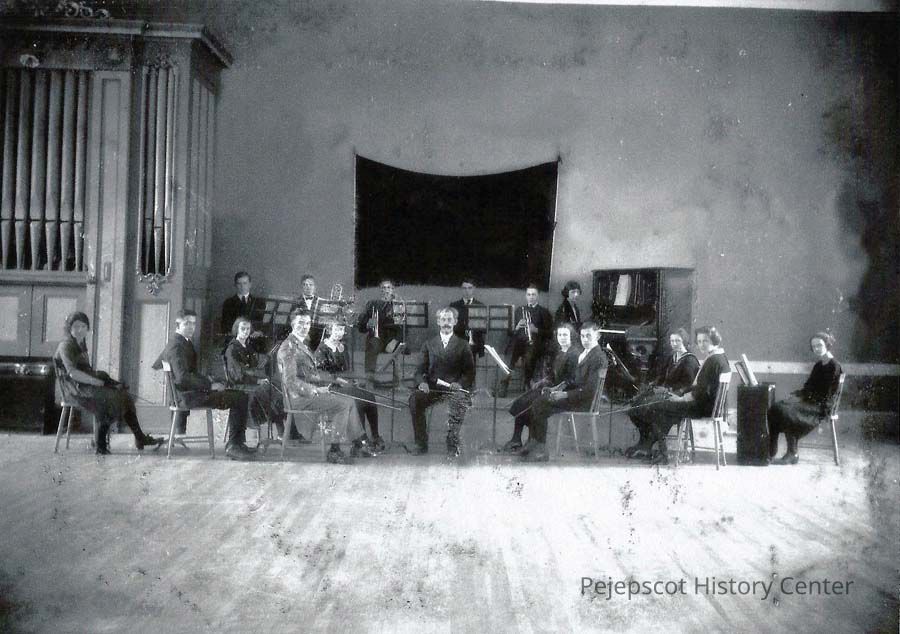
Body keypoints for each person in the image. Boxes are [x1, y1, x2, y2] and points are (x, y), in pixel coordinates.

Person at [54, 312, 163, 455]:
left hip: (84, 386)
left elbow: (86, 370)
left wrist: (107, 382)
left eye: (83, 326)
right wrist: (97, 382)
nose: (80, 330)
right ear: (69, 328)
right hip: (73, 390)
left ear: (87, 328)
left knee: (124, 396)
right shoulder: (66, 345)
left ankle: (139, 437)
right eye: (76, 326)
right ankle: (100, 444)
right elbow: (73, 373)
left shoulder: (81, 343)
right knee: (110, 399)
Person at [152, 310, 255, 461]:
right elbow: (182, 378)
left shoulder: (182, 342)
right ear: (177, 325)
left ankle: (238, 443)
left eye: (193, 323)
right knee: (240, 398)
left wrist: (210, 380)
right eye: (187, 323)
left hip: (189, 393)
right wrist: (210, 385)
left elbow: (190, 374)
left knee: (239, 396)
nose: (191, 327)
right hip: (187, 397)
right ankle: (234, 445)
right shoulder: (176, 346)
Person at [278, 310, 372, 463]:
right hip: (298, 397)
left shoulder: (300, 344)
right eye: (300, 323)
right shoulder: (289, 347)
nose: (304, 327)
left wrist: (334, 380)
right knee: (343, 404)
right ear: (292, 324)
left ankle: (358, 443)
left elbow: (310, 374)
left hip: (305, 394)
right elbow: (291, 381)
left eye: (307, 323)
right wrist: (315, 390)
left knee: (348, 400)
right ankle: (335, 450)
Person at [634, 326, 730, 465]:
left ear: (714, 340)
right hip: (709, 406)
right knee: (664, 407)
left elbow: (700, 391)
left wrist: (680, 398)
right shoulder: (720, 357)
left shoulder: (713, 360)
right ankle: (661, 452)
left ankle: (663, 453)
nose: (701, 344)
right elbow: (700, 387)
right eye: (699, 341)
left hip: (703, 408)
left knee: (658, 406)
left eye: (705, 341)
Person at [518, 321, 609, 462]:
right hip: (577, 397)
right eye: (583, 336)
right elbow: (576, 381)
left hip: (584, 402)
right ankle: (535, 442)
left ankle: (541, 448)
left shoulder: (598, 357)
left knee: (540, 403)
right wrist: (557, 389)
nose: (585, 340)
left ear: (598, 336)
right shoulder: (586, 353)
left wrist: (565, 394)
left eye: (589, 336)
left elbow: (590, 391)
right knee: (540, 400)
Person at [500, 322, 583, 454]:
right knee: (522, 400)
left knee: (532, 403)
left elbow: (571, 380)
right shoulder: (561, 352)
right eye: (560, 335)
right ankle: (516, 438)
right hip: (553, 389)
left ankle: (532, 441)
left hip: (565, 394)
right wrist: (542, 381)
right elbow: (554, 375)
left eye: (565, 335)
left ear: (571, 336)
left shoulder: (574, 354)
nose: (562, 338)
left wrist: (554, 388)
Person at [408, 307, 476, 457]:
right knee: (415, 399)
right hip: (433, 389)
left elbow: (470, 372)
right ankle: (421, 443)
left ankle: (452, 443)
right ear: (438, 322)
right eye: (443, 319)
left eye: (449, 320)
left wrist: (460, 384)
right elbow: (419, 370)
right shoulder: (428, 344)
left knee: (459, 401)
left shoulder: (463, 345)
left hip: (454, 389)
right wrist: (422, 383)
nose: (446, 323)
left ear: (455, 322)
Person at [624, 328, 701, 458]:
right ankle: (643, 442)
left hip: (680, 400)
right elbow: (661, 377)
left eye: (678, 341)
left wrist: (669, 391)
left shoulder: (690, 360)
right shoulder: (672, 357)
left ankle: (656, 448)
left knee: (654, 409)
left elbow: (688, 386)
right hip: (667, 395)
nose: (674, 344)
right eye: (672, 341)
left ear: (685, 342)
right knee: (635, 408)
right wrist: (653, 385)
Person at [768, 332, 842, 465]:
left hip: (821, 406)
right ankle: (770, 451)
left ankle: (792, 453)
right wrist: (796, 396)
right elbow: (808, 387)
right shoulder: (819, 365)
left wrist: (804, 400)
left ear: (827, 345)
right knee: (776, 407)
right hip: (810, 402)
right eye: (814, 347)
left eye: (819, 345)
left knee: (787, 412)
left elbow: (829, 395)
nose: (816, 349)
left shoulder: (834, 366)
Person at [315, 318, 386, 452]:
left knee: (369, 396)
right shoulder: (322, 349)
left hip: (345, 385)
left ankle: (375, 436)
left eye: (341, 330)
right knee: (357, 400)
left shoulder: (343, 347)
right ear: (329, 330)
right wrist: (342, 382)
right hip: (330, 387)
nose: (339, 332)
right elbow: (322, 375)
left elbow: (347, 371)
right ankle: (358, 443)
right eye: (336, 329)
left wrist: (354, 380)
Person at [224, 316, 287, 439]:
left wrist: (266, 359)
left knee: (277, 387)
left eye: (248, 329)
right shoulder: (232, 348)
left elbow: (255, 365)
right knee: (268, 391)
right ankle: (276, 433)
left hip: (249, 381)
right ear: (236, 329)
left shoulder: (247, 346)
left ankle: (283, 432)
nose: (246, 331)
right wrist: (257, 380)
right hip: (239, 385)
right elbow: (238, 375)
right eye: (243, 328)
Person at [497, 285, 553, 396]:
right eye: (529, 294)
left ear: (538, 296)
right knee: (509, 356)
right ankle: (504, 384)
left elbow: (550, 333)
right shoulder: (519, 310)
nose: (531, 297)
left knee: (529, 357)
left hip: (535, 344)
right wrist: (517, 327)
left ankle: (528, 384)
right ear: (526, 296)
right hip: (518, 343)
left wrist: (536, 330)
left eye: (533, 294)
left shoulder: (544, 312)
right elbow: (510, 333)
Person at [356, 279, 404, 387]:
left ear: (393, 290)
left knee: (397, 349)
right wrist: (367, 324)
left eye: (388, 288)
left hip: (392, 339)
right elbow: (361, 326)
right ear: (380, 290)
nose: (386, 290)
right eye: (383, 288)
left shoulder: (398, 304)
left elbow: (404, 328)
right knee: (372, 344)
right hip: (376, 338)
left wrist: (395, 341)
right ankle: (369, 378)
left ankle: (397, 382)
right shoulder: (372, 304)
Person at [449, 279, 486, 360]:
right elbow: (451, 326)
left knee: (472, 366)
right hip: (459, 343)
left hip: (475, 343)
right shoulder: (454, 305)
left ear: (474, 289)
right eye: (464, 288)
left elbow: (483, 329)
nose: (467, 291)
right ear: (461, 289)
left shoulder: (480, 306)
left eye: (469, 288)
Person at [297, 274, 325, 350]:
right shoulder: (295, 301)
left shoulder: (322, 302)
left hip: (316, 337)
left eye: (311, 285)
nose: (308, 287)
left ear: (315, 287)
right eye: (305, 284)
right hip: (300, 336)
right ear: (301, 287)